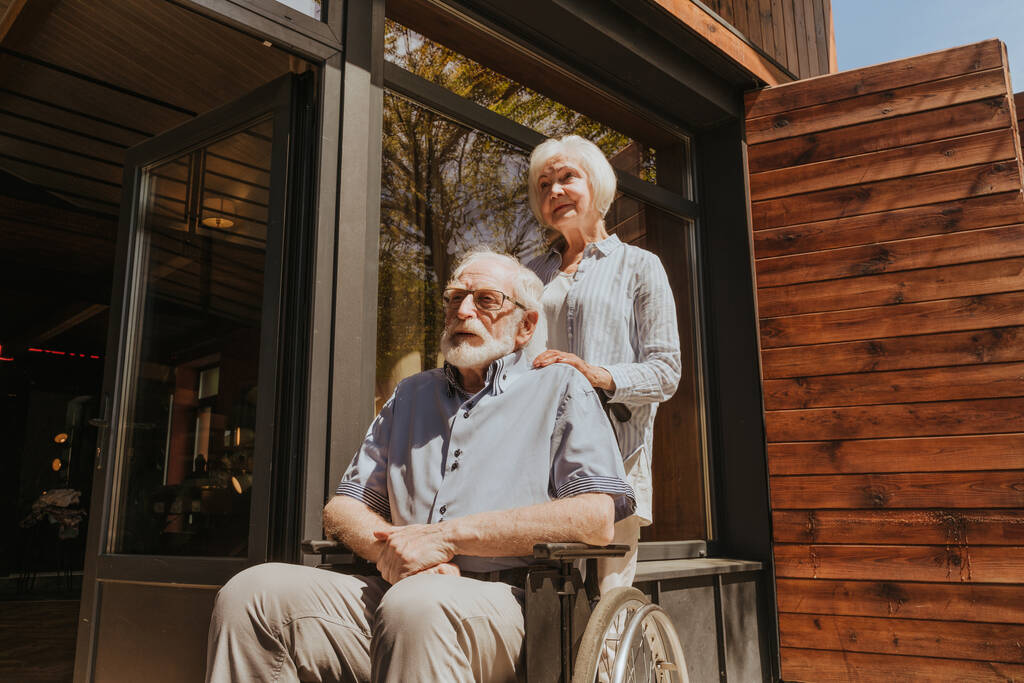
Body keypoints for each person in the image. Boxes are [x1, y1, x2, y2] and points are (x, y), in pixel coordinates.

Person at [205, 249, 635, 683]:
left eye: (486, 300)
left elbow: (595, 516)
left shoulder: (560, 386)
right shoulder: (411, 394)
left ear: (526, 326)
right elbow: (342, 509)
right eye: (455, 298)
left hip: (514, 604)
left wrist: (444, 537)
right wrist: (396, 554)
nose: (463, 310)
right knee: (252, 595)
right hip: (400, 590)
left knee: (416, 607)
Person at [526, 135, 681, 594]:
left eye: (566, 177)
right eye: (544, 184)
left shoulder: (640, 265)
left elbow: (665, 371)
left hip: (615, 452)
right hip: (538, 450)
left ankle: (614, 665)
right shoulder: (530, 274)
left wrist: (595, 373)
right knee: (548, 592)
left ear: (596, 184)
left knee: (609, 597)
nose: (554, 191)